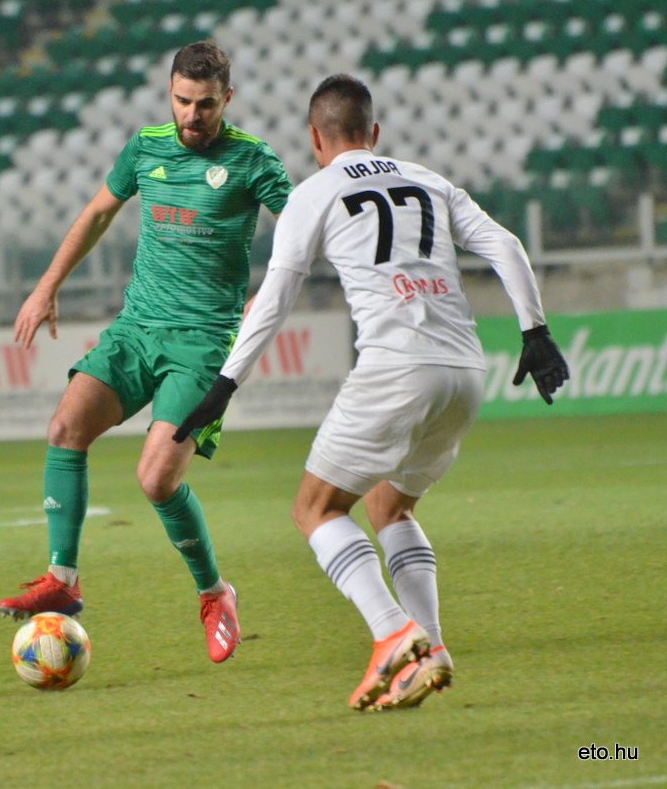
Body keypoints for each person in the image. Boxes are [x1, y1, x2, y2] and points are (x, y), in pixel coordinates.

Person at [174, 74, 569, 703]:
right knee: (391, 507)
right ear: (374, 133)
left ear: (315, 138)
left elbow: (274, 299)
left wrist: (226, 383)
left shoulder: (315, 193)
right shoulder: (428, 181)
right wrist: (535, 331)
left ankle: (392, 635)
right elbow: (505, 243)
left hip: (397, 368)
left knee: (316, 509)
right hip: (465, 372)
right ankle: (431, 650)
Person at [0, 41, 293, 663]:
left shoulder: (252, 160)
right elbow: (97, 214)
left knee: (157, 479)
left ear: (227, 99)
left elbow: (301, 234)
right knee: (65, 428)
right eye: (182, 101)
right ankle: (63, 579)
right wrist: (47, 287)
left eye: (205, 104)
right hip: (137, 330)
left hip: (203, 344)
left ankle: (214, 593)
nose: (192, 115)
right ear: (169, 94)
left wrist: (264, 301)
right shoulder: (146, 147)